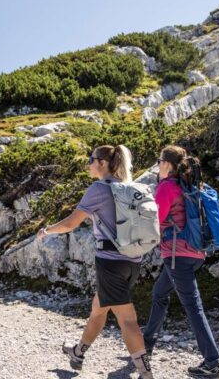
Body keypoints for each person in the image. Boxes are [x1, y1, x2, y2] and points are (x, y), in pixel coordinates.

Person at [37, 145, 153, 378]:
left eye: (91, 160)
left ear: (102, 163)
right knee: (99, 308)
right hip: (133, 260)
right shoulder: (129, 188)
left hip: (110, 262)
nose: (89, 164)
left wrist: (46, 231)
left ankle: (146, 373)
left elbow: (71, 223)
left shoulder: (99, 189)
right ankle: (78, 352)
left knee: (127, 319)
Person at [142, 145, 219, 377]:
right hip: (195, 253)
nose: (158, 166)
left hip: (177, 255)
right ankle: (146, 344)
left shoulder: (167, 186)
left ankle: (212, 363)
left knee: (193, 307)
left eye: (159, 161)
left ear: (167, 164)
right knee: (159, 293)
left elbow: (155, 220)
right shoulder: (190, 185)